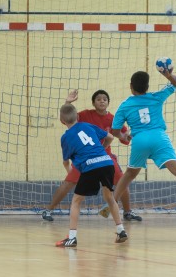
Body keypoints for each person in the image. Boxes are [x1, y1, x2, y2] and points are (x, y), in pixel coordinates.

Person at [98, 69, 176, 219]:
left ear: (131, 86)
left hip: (139, 139)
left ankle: (113, 202)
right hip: (159, 137)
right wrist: (168, 75)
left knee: (129, 174)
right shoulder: (156, 97)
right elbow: (175, 83)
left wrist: (125, 135)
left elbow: (115, 131)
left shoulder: (125, 105)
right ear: (147, 86)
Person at [42, 90, 142, 222]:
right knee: (68, 182)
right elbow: (67, 117)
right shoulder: (85, 115)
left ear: (108, 103)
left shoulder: (113, 119)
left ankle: (127, 212)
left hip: (105, 157)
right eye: (98, 99)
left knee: (122, 181)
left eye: (104, 99)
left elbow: (124, 139)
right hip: (85, 157)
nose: (102, 101)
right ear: (93, 103)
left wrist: (127, 137)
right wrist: (67, 102)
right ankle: (48, 210)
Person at [55, 103, 128, 247]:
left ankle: (72, 238)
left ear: (62, 121)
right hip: (107, 163)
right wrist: (102, 149)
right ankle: (121, 231)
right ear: (77, 116)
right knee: (109, 197)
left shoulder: (65, 137)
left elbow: (65, 161)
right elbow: (110, 137)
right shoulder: (87, 125)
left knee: (76, 201)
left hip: (90, 167)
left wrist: (70, 172)